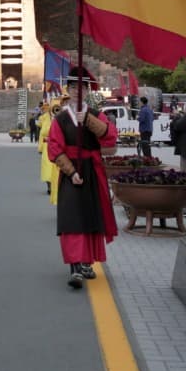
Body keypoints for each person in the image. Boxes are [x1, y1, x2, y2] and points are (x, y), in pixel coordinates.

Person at [46, 66, 118, 289]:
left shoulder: (96, 115)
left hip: (93, 171)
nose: (78, 91)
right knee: (71, 218)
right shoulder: (59, 119)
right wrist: (71, 171)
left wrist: (88, 120)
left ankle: (87, 262)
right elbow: (54, 148)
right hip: (71, 173)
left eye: (82, 87)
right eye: (74, 86)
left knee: (90, 216)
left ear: (87, 91)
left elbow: (110, 138)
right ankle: (74, 267)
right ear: (68, 89)